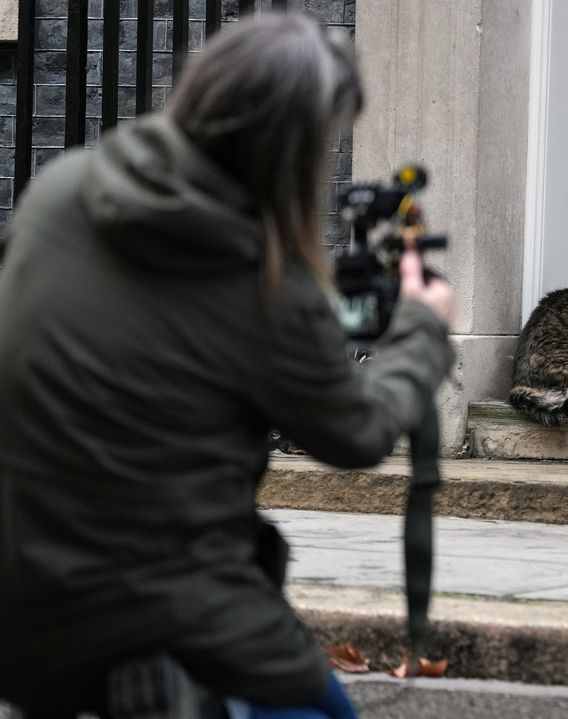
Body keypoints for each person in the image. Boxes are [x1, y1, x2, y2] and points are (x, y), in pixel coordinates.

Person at [0, 14, 455, 718]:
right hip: (168, 613)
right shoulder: (268, 283)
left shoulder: (60, 191)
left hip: (19, 601)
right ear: (294, 150)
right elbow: (356, 434)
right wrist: (421, 328)